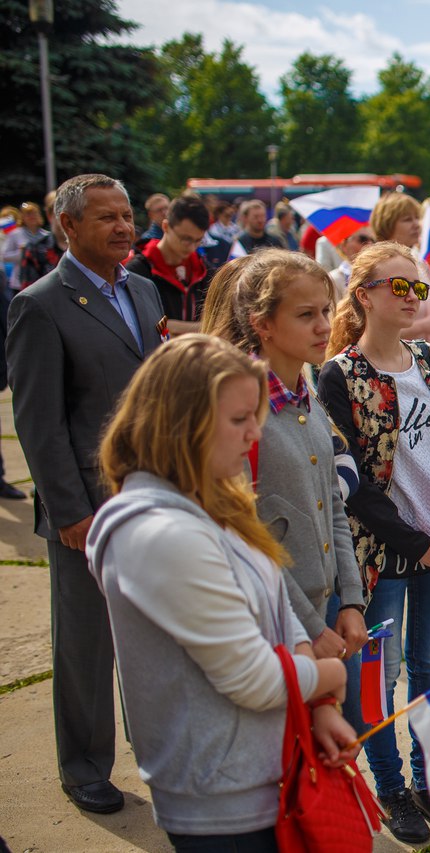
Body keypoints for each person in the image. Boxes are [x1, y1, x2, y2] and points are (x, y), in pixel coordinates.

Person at [85, 335, 357, 850]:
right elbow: (251, 678)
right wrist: (332, 673)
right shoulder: (161, 534)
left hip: (269, 769)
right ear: (179, 423)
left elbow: (276, 607)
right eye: (239, 420)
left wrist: (318, 703)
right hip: (221, 800)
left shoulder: (212, 499)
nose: (255, 433)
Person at [6, 174, 167, 814]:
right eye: (107, 218)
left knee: (158, 639)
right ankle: (84, 768)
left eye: (127, 215)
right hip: (89, 511)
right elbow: (38, 424)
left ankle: (160, 753)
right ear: (68, 226)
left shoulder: (144, 289)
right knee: (86, 646)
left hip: (156, 498)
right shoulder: (41, 305)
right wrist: (69, 510)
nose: (124, 227)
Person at [318, 240, 430, 845]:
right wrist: (418, 542)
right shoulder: (338, 376)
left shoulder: (429, 359)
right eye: (399, 287)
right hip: (381, 554)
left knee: (429, 664)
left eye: (418, 288)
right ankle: (391, 788)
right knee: (375, 681)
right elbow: (353, 486)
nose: (414, 298)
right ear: (363, 296)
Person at [199, 247, 368, 667]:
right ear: (263, 324)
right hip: (275, 623)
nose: (324, 326)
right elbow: (243, 533)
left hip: (327, 609)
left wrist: (350, 599)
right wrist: (310, 628)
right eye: (305, 314)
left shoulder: (304, 394)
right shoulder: (236, 411)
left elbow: (332, 501)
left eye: (327, 311)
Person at [370, 192, 430, 349]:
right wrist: (423, 326)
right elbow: (369, 332)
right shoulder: (374, 267)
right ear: (387, 224)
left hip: (429, 365)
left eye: (417, 218)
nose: (417, 224)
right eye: (408, 219)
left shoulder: (422, 264)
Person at [125, 195, 212, 335]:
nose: (191, 248)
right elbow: (146, 324)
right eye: (186, 239)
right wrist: (202, 328)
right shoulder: (138, 270)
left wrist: (175, 327)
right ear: (166, 226)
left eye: (198, 241)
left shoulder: (202, 268)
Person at [18, 191, 68, 288]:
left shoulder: (90, 248)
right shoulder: (34, 250)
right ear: (49, 215)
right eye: (57, 208)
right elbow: (29, 291)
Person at [4, 201, 48, 292]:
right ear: (23, 217)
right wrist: (21, 253)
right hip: (20, 282)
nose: (32, 217)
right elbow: (4, 256)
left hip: (41, 281)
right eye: (28, 214)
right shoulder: (15, 234)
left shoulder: (46, 236)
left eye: (34, 214)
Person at [329, 225, 377, 299]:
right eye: (362, 239)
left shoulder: (382, 274)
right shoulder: (334, 279)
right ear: (343, 245)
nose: (370, 244)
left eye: (373, 240)